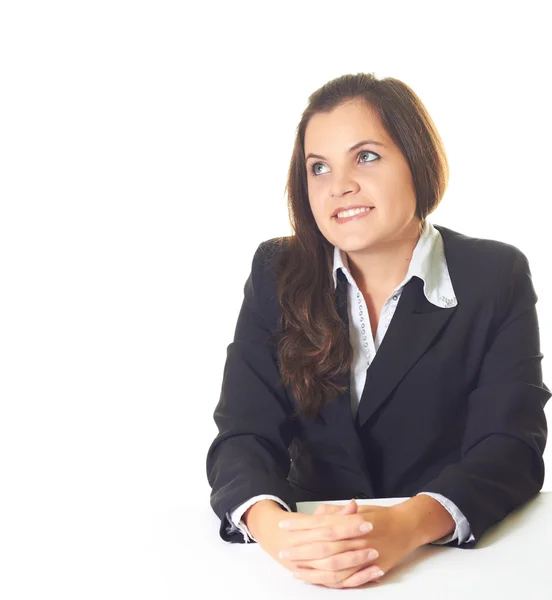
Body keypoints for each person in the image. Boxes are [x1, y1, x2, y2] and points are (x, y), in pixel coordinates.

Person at [205, 72, 550, 589]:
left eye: (365, 156)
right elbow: (244, 432)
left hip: (449, 566)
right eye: (318, 167)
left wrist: (409, 524)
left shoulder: (493, 274)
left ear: (417, 160)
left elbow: (509, 446)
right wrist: (280, 531)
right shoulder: (276, 270)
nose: (339, 185)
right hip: (303, 562)